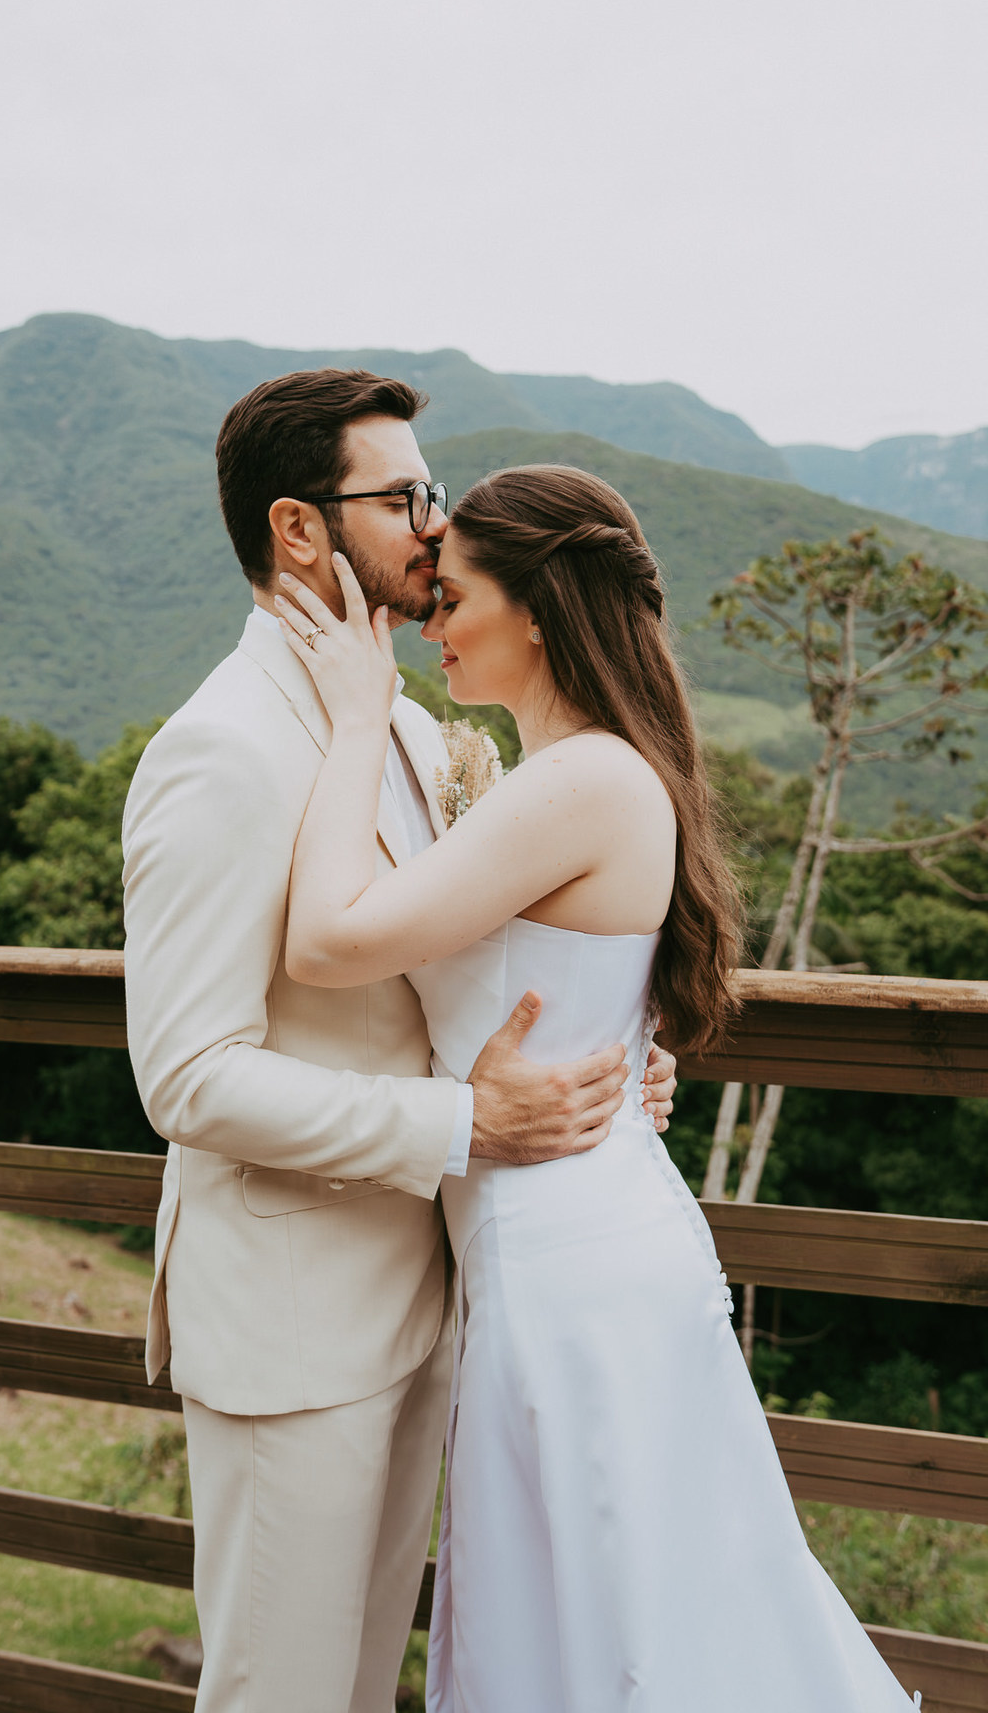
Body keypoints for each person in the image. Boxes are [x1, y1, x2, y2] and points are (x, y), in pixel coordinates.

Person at [275, 463, 922, 1712]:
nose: (430, 621)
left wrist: (360, 722)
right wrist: (633, 1051)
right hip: (562, 1236)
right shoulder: (581, 775)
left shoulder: (582, 782)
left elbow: (325, 944)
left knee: (628, 1618)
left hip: (569, 1264)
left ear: (537, 608)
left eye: (451, 596)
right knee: (615, 1609)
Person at [121, 373, 678, 1713]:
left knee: (367, 1691)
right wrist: (469, 1125)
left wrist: (593, 1064)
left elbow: (462, 972)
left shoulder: (419, 731)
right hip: (294, 1334)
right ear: (302, 532)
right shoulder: (222, 751)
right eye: (407, 498)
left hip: (434, 1306)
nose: (437, 527)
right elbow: (188, 1076)